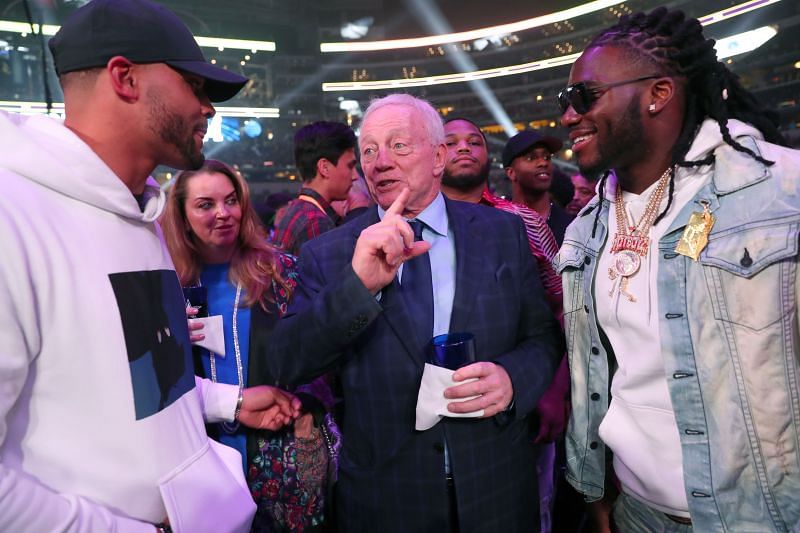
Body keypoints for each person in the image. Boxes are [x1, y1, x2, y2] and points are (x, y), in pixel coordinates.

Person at [0, 1, 299, 531]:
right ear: (125, 78)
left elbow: (137, 376)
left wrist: (226, 403)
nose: (207, 108)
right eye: (194, 85)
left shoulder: (140, 211)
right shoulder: (14, 215)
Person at [267, 93, 563, 532]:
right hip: (386, 498)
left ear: (439, 156)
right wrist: (359, 287)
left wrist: (513, 380)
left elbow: (542, 336)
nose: (379, 161)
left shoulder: (502, 233)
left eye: (398, 145)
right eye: (368, 150)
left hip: (496, 486)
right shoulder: (329, 253)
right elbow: (288, 359)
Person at [554, 6, 800, 531]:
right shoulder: (585, 230)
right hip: (636, 510)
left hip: (758, 518)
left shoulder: (782, 192)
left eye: (584, 96)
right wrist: (596, 492)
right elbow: (600, 375)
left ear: (657, 93)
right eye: (563, 102)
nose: (568, 116)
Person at [161, 159, 337, 532]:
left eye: (231, 201)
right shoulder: (165, 286)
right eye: (206, 205)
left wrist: (308, 408)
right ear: (181, 215)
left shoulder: (281, 273)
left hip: (281, 449)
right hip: (200, 455)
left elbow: (325, 348)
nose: (223, 214)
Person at [441, 116, 570, 532]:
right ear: (434, 154)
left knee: (530, 507)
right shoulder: (408, 225)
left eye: (474, 141)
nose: (464, 148)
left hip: (520, 402)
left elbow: (563, 306)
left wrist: (554, 387)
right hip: (438, 412)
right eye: (452, 141)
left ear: (488, 158)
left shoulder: (522, 221)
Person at [271, 121, 358, 255]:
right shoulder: (316, 223)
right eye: (350, 166)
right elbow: (326, 276)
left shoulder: (298, 211)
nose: (355, 176)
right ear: (324, 167)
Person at [503, 130, 574, 245]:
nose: (543, 163)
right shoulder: (496, 221)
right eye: (531, 158)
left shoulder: (571, 227)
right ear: (511, 173)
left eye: (547, 157)